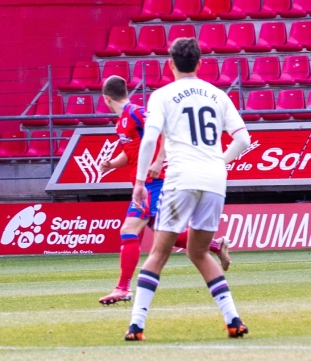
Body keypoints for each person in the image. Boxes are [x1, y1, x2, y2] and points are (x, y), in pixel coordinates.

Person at [125, 38, 251, 341]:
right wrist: (218, 161)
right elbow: (243, 139)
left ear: (170, 64)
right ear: (199, 63)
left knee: (158, 252)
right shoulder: (218, 94)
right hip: (213, 181)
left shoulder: (162, 96)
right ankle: (234, 319)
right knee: (198, 252)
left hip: (181, 178)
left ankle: (136, 325)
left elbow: (149, 139)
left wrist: (140, 181)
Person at [97, 76, 231, 305]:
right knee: (164, 234)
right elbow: (129, 153)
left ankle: (122, 288)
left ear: (106, 99)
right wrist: (111, 164)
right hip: (142, 185)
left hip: (152, 184)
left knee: (129, 229)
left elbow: (165, 131)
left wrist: (159, 160)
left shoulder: (137, 112)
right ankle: (215, 245)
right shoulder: (120, 123)